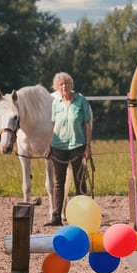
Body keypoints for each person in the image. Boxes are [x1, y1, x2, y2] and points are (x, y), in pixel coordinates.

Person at [45, 72, 93, 226]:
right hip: (58, 147)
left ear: (71, 85)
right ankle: (56, 216)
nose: (64, 86)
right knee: (58, 182)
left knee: (80, 181)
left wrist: (87, 147)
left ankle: (83, 216)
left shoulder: (81, 100)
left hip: (77, 145)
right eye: (61, 85)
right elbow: (53, 125)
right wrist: (48, 146)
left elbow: (87, 124)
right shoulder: (55, 103)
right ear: (57, 87)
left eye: (66, 84)